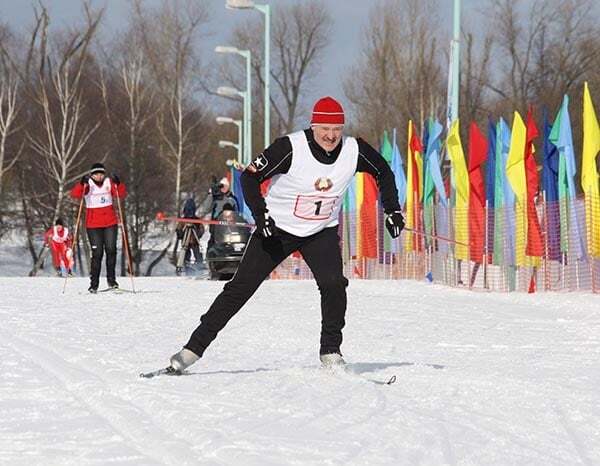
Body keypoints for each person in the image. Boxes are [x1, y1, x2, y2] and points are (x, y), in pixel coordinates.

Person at [168, 96, 405, 371]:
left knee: (334, 284)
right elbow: (249, 177)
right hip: (277, 230)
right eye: (324, 129)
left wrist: (392, 210)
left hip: (320, 231)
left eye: (336, 129)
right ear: (313, 126)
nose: (330, 136)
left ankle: (331, 351)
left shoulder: (354, 150)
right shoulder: (290, 147)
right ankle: (191, 350)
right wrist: (262, 216)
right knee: (239, 289)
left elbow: (384, 172)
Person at [70, 162, 126, 293]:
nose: (99, 176)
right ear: (91, 175)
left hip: (110, 223)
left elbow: (120, 194)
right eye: (96, 174)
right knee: (97, 253)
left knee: (111, 250)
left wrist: (118, 183)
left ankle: (111, 281)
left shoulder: (108, 183)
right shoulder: (88, 185)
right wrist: (80, 184)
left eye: (101, 173)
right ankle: (94, 284)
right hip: (93, 225)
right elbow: (75, 194)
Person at [175, 198, 205, 275]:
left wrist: (198, 235)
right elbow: (178, 230)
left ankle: (199, 267)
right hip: (186, 241)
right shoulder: (183, 221)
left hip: (194, 241)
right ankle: (187, 269)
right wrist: (180, 233)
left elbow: (201, 230)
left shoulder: (197, 221)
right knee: (185, 255)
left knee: (197, 255)